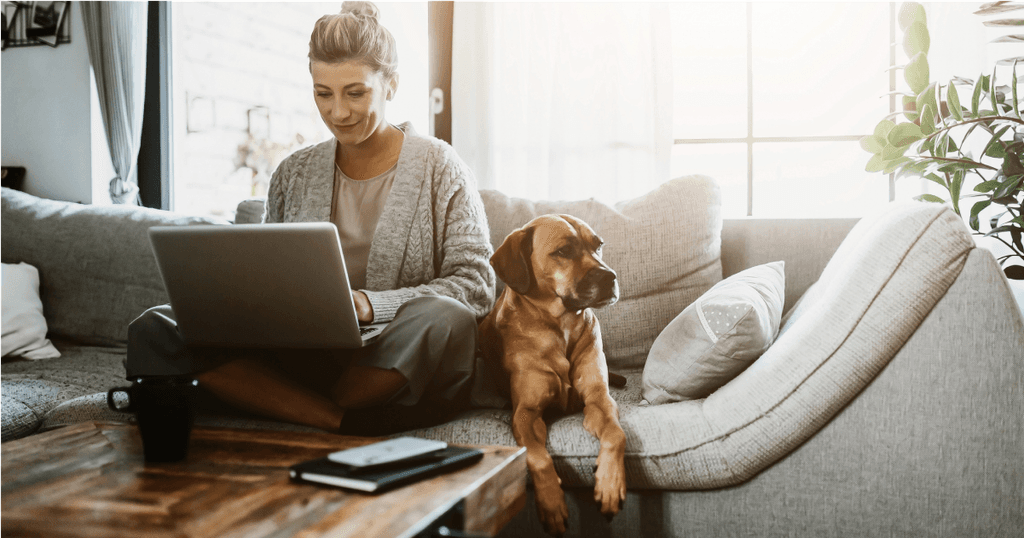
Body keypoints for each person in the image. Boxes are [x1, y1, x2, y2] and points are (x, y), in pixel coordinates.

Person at [125, 1, 495, 434]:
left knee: (444, 317)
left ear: (391, 85)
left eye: (355, 92)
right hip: (303, 353)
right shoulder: (292, 173)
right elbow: (267, 275)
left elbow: (475, 285)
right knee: (155, 326)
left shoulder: (440, 166)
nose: (338, 112)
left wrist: (370, 304)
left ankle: (273, 399)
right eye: (324, 93)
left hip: (393, 355)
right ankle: (339, 420)